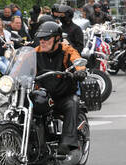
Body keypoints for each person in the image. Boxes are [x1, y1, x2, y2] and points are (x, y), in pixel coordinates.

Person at [34, 21, 87, 155]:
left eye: (46, 38)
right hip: (42, 94)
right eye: (40, 38)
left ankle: (68, 142)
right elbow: (20, 64)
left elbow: (76, 60)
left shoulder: (66, 50)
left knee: (72, 103)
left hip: (62, 94)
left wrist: (80, 71)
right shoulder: (35, 52)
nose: (42, 41)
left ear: (57, 39)